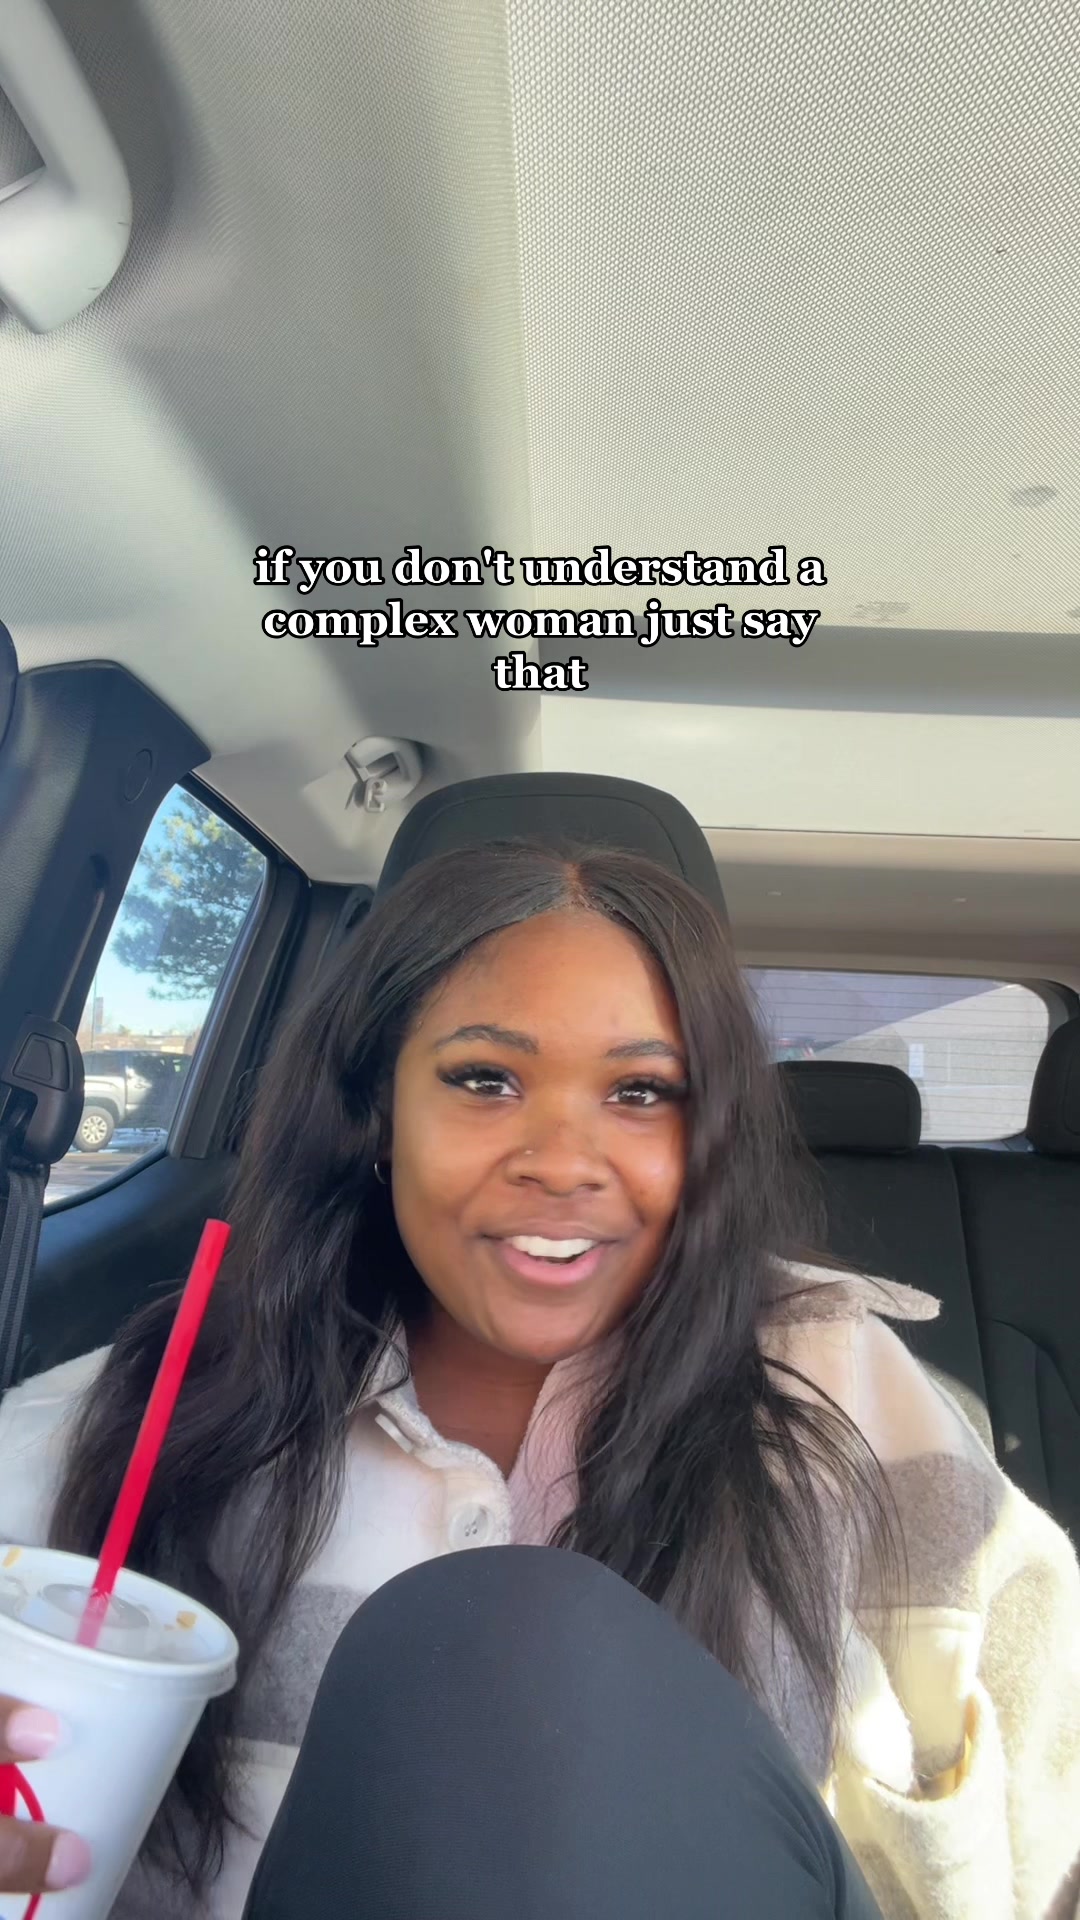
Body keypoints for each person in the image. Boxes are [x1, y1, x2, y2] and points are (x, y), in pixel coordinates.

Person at [0, 842, 1077, 1919]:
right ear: (378, 1113)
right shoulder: (158, 1409)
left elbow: (1041, 1795)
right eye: (485, 1080)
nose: (562, 1161)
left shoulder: (834, 1381)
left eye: (642, 1091)